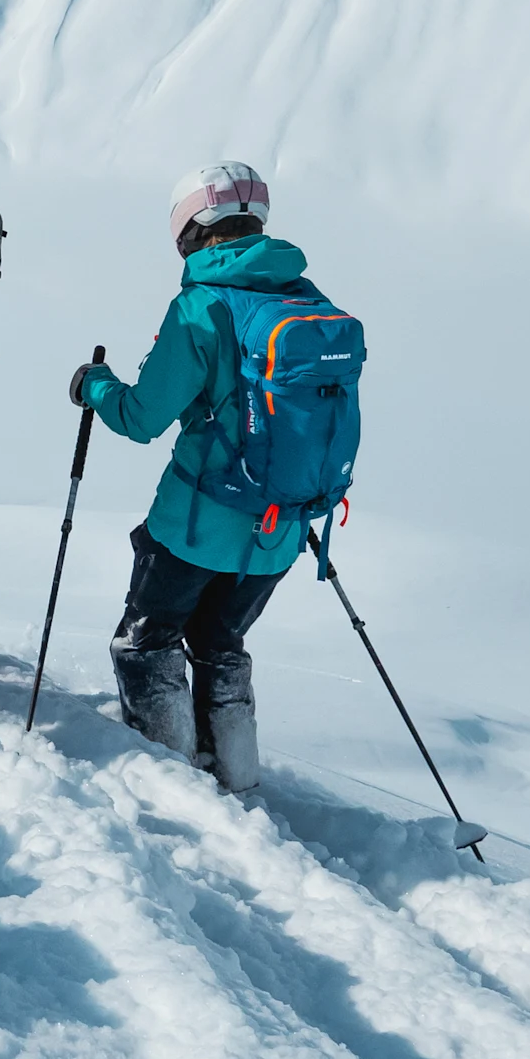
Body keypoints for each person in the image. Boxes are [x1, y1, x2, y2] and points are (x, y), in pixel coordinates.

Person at [69, 161, 315, 798]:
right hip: (280, 529)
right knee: (221, 641)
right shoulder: (309, 301)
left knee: (147, 642)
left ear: (188, 229)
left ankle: (171, 781)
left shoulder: (202, 308)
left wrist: (94, 386)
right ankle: (236, 777)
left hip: (197, 521)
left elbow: (142, 416)